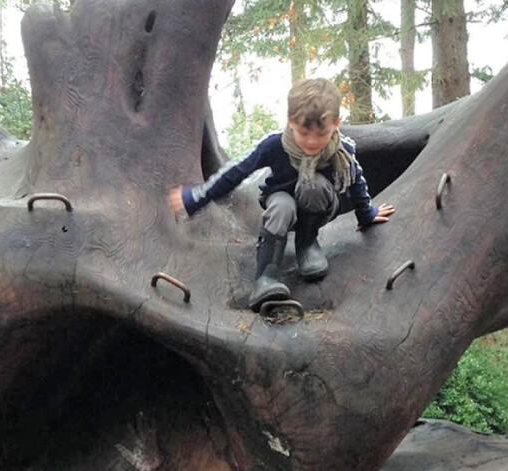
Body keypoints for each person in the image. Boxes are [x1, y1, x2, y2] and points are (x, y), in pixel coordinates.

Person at [169, 78, 395, 310]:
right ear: (290, 122)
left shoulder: (343, 150)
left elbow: (356, 180)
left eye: (321, 134)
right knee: (281, 206)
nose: (311, 142)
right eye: (303, 132)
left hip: (319, 203)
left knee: (313, 185)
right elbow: (236, 172)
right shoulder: (274, 145)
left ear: (336, 124)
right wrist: (195, 199)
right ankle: (266, 276)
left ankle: (307, 245)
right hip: (281, 201)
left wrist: (366, 215)